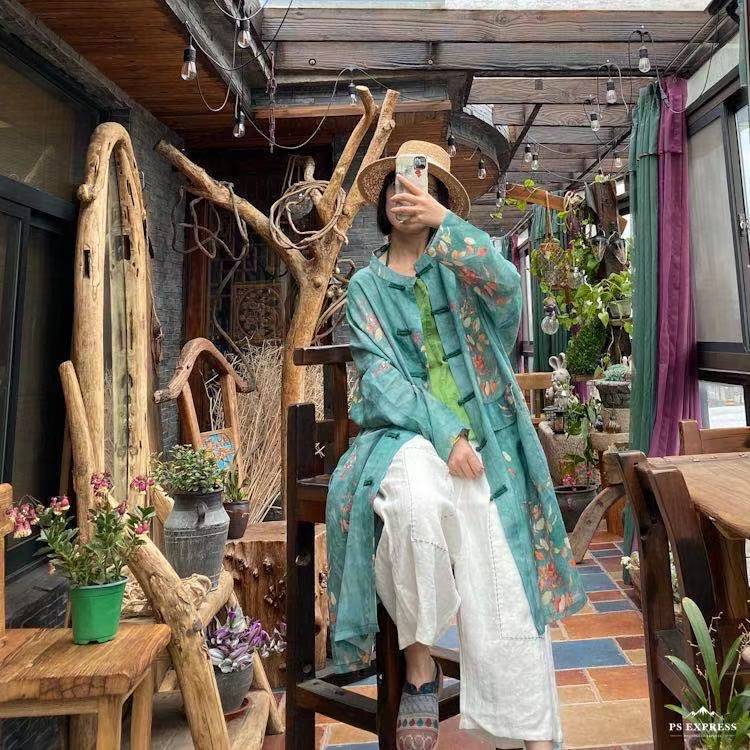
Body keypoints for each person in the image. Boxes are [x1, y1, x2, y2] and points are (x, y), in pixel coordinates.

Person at [326, 140, 587, 750]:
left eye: (422, 186)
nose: (405, 195)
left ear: (439, 198)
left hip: (489, 438)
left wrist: (444, 223)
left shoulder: (461, 266)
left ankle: (524, 726)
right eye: (396, 185)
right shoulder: (365, 286)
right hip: (405, 437)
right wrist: (446, 434)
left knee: (503, 559)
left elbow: (508, 289)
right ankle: (420, 666)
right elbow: (381, 381)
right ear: (382, 201)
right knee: (414, 508)